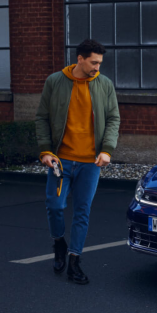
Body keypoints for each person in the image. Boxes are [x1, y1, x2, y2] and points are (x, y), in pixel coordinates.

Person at [35, 39, 120, 285]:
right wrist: (46, 151)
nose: (97, 67)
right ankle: (59, 242)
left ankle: (75, 261)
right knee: (55, 205)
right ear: (80, 59)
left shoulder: (104, 84)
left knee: (82, 211)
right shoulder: (55, 81)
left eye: (100, 62)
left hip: (91, 163)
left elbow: (113, 118)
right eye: (93, 62)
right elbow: (42, 118)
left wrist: (107, 150)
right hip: (61, 162)